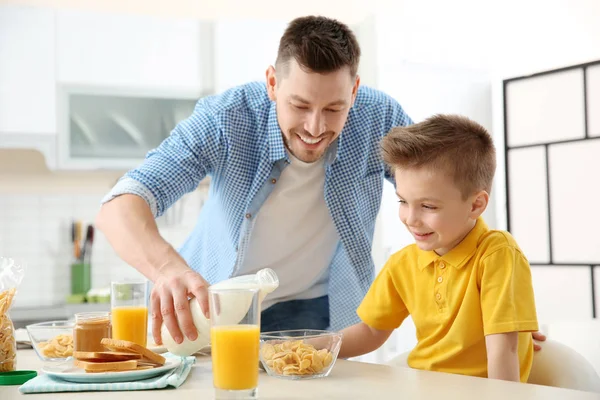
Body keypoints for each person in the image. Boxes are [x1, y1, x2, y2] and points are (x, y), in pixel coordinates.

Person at [96, 15, 546, 350]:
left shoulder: (379, 116)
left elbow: (446, 199)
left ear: (354, 90)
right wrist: (167, 268)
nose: (315, 127)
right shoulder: (224, 119)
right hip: (217, 304)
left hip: (318, 307)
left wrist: (496, 301)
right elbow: (123, 202)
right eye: (299, 105)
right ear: (272, 83)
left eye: (334, 108)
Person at [338, 114, 540, 382]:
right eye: (403, 202)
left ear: (476, 205)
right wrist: (304, 347)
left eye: (429, 206)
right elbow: (371, 332)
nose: (411, 218)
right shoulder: (403, 263)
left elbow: (504, 349)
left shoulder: (497, 254)